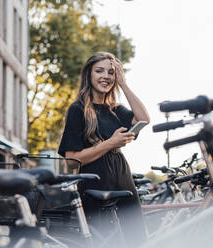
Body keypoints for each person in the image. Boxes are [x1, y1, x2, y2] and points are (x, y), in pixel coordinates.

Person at [58, 51, 150, 247]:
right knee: (102, 241)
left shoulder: (115, 110)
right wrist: (110, 143)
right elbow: (71, 159)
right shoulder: (77, 109)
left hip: (122, 177)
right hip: (94, 182)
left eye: (111, 73)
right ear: (89, 74)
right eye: (99, 71)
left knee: (138, 238)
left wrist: (123, 84)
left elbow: (143, 119)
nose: (105, 77)